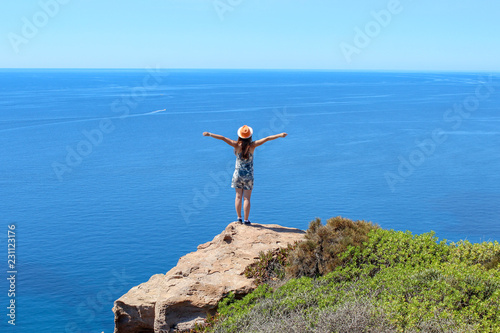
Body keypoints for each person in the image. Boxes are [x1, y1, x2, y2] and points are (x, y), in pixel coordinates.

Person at [203, 125, 287, 225]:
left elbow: (223, 138)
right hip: (249, 175)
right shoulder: (253, 145)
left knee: (238, 196)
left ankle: (239, 218)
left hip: (237, 174)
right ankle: (246, 220)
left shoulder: (236, 145)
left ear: (240, 135)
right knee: (247, 198)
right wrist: (280, 135)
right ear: (250, 136)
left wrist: (209, 134)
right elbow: (267, 138)